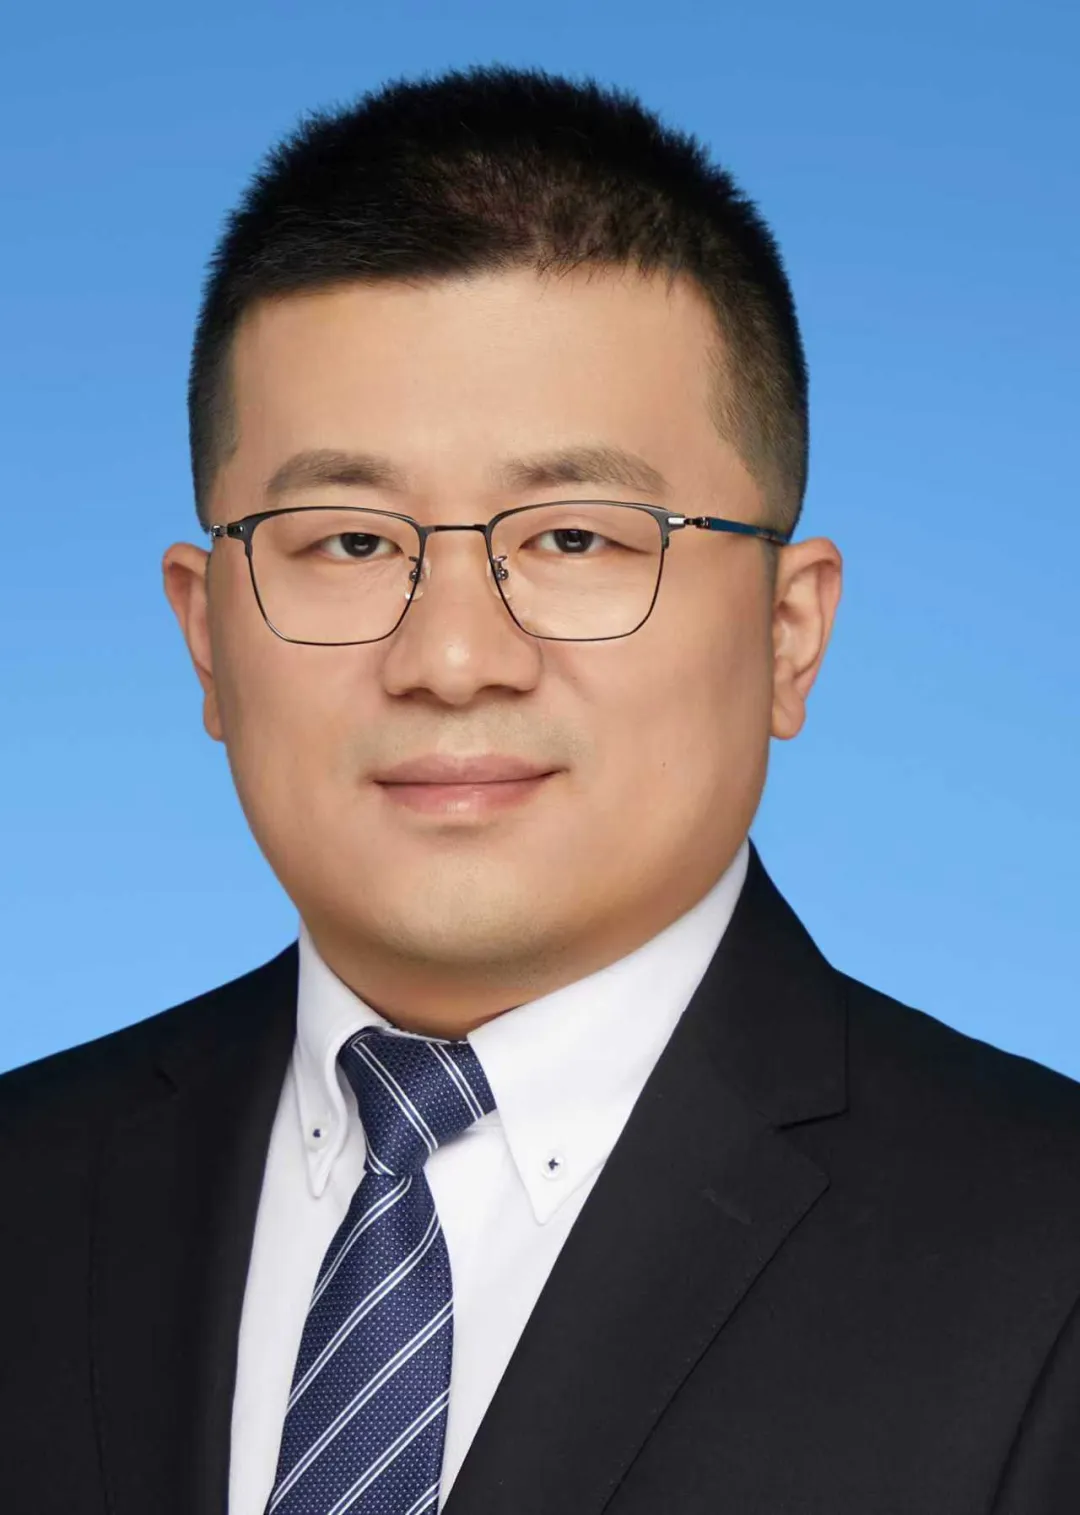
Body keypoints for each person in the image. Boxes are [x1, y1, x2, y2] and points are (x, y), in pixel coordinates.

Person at [2, 64, 1079, 1515]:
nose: (452, 659)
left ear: (788, 633)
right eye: (348, 542)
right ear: (206, 636)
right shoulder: (28, 1183)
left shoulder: (1046, 1257)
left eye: (575, 538)